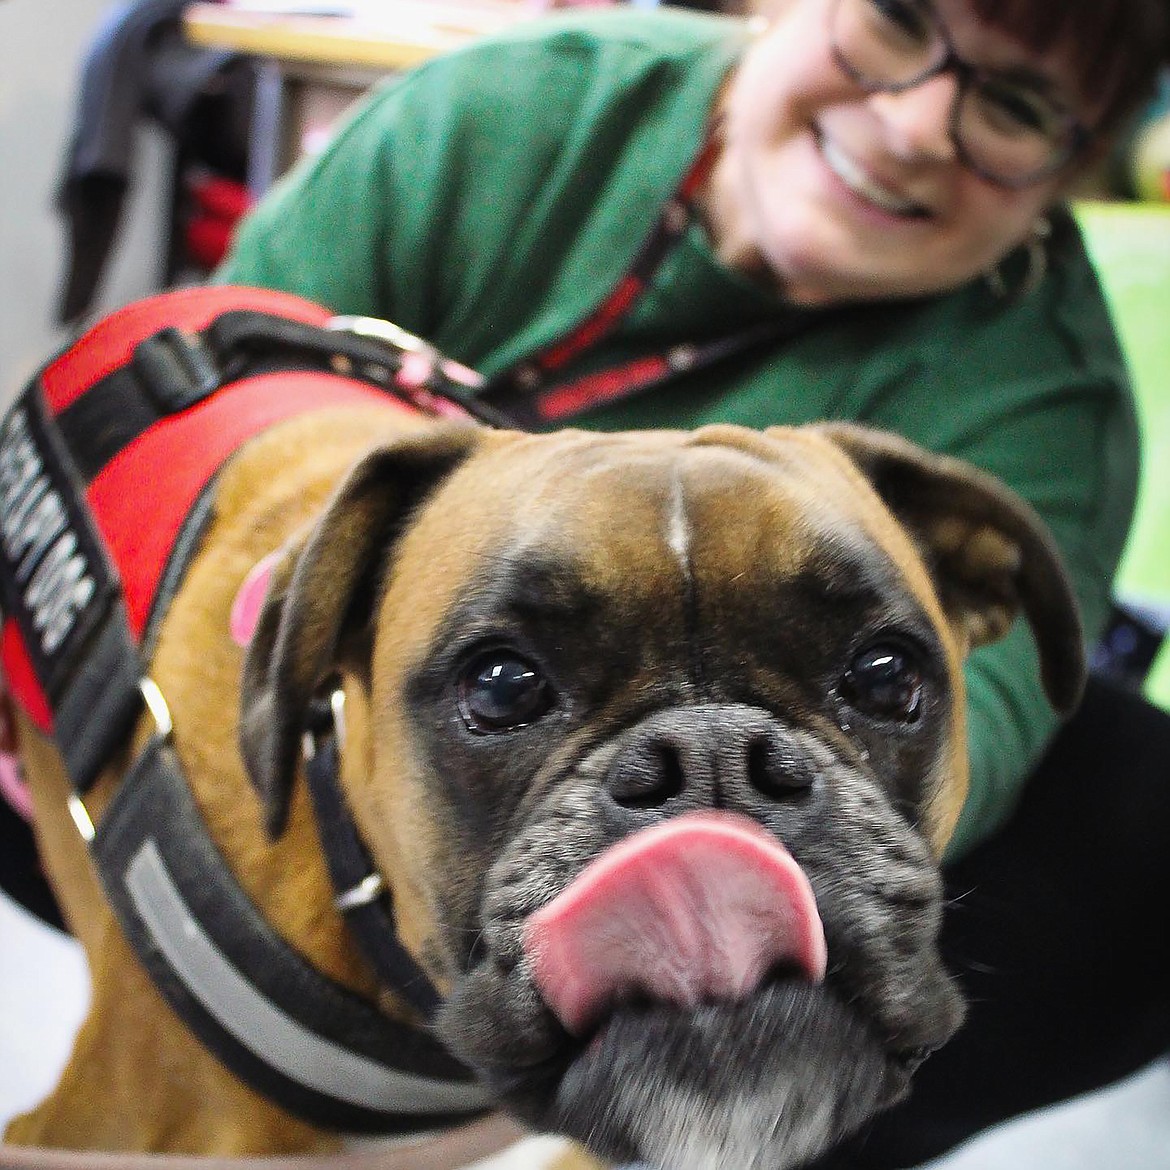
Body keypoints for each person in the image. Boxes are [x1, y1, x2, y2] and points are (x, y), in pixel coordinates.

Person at [215, 0, 1170, 1163]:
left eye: (1019, 107)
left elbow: (1000, 728)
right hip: (315, 757)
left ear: (1069, 175)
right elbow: (230, 416)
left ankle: (713, 1125)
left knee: (1130, 809)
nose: (920, 122)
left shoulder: (1041, 403)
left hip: (773, 942)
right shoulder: (495, 120)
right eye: (898, 23)